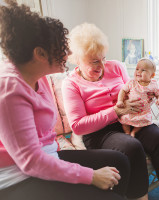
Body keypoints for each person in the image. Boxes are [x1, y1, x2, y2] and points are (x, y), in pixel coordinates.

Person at [0, 1, 131, 200]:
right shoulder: (10, 89)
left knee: (119, 162)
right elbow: (32, 162)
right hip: (18, 175)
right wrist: (91, 176)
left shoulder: (38, 75)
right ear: (40, 54)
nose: (69, 54)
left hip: (48, 156)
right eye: (62, 48)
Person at [61, 23, 159, 200]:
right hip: (99, 133)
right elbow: (78, 126)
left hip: (131, 120)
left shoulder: (116, 66)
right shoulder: (71, 83)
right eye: (94, 61)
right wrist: (116, 111)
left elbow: (132, 90)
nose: (102, 65)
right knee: (132, 147)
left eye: (103, 58)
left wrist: (145, 96)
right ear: (78, 60)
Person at [117, 58, 159, 137]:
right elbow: (123, 91)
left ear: (152, 75)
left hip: (143, 111)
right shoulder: (132, 82)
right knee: (124, 120)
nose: (138, 71)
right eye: (137, 69)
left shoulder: (153, 85)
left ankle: (134, 132)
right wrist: (120, 101)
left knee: (144, 120)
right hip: (130, 110)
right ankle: (127, 133)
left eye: (143, 70)